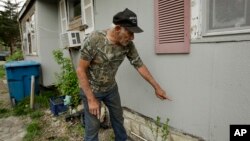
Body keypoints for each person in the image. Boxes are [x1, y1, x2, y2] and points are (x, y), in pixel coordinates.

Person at [76, 8, 171, 141]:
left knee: (118, 120)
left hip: (111, 89)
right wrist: (91, 99)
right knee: (92, 128)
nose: (132, 37)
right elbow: (80, 70)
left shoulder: (127, 45)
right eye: (130, 32)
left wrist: (157, 87)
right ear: (117, 28)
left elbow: (139, 65)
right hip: (92, 91)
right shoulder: (95, 39)